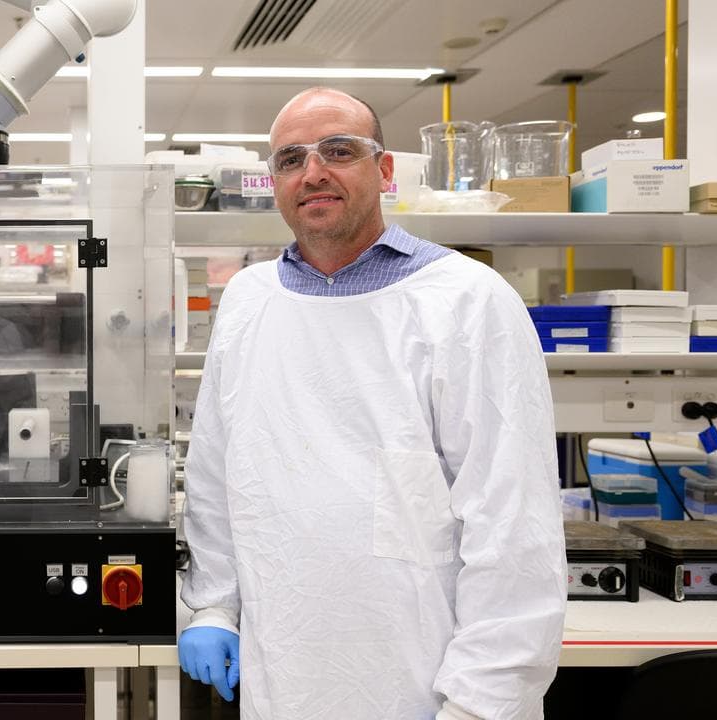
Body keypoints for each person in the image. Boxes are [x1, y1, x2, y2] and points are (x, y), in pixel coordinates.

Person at [178, 87, 567, 719]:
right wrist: (215, 606)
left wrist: (482, 702)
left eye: (339, 150)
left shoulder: (467, 299)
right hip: (283, 666)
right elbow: (218, 471)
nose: (314, 172)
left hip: (423, 677)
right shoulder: (250, 299)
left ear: (384, 171)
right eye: (290, 159)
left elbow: (513, 525)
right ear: (274, 181)